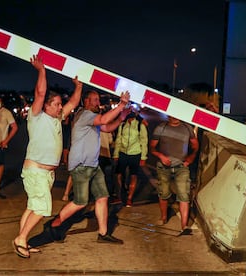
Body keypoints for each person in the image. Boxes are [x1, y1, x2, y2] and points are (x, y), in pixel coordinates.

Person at [12, 55, 82, 258]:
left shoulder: (58, 118)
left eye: (61, 104)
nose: (61, 107)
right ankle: (21, 239)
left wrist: (77, 86)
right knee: (43, 209)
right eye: (57, 104)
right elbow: (40, 93)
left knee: (33, 207)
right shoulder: (36, 116)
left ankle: (21, 240)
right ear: (47, 106)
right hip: (36, 171)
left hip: (47, 174)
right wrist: (41, 70)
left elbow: (75, 101)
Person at [49, 90, 131, 245]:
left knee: (102, 197)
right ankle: (54, 225)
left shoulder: (92, 117)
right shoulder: (85, 115)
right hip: (81, 166)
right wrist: (122, 105)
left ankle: (103, 233)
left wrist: (121, 118)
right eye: (94, 100)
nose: (97, 102)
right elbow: (105, 119)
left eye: (98, 99)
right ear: (86, 101)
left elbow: (106, 127)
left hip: (93, 164)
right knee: (81, 202)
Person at [149, 115, 199, 235]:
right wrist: (161, 156)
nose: (176, 117)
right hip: (163, 167)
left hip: (182, 167)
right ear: (168, 115)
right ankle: (164, 217)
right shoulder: (161, 128)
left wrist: (191, 157)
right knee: (164, 193)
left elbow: (195, 146)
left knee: (184, 195)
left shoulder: (187, 128)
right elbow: (152, 147)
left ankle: (184, 226)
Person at [112, 111, 148, 207]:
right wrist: (116, 154)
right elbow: (118, 139)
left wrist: (143, 157)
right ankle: (119, 196)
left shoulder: (140, 126)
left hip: (135, 153)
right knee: (118, 175)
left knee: (133, 175)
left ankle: (129, 198)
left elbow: (144, 142)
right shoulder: (122, 125)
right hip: (123, 153)